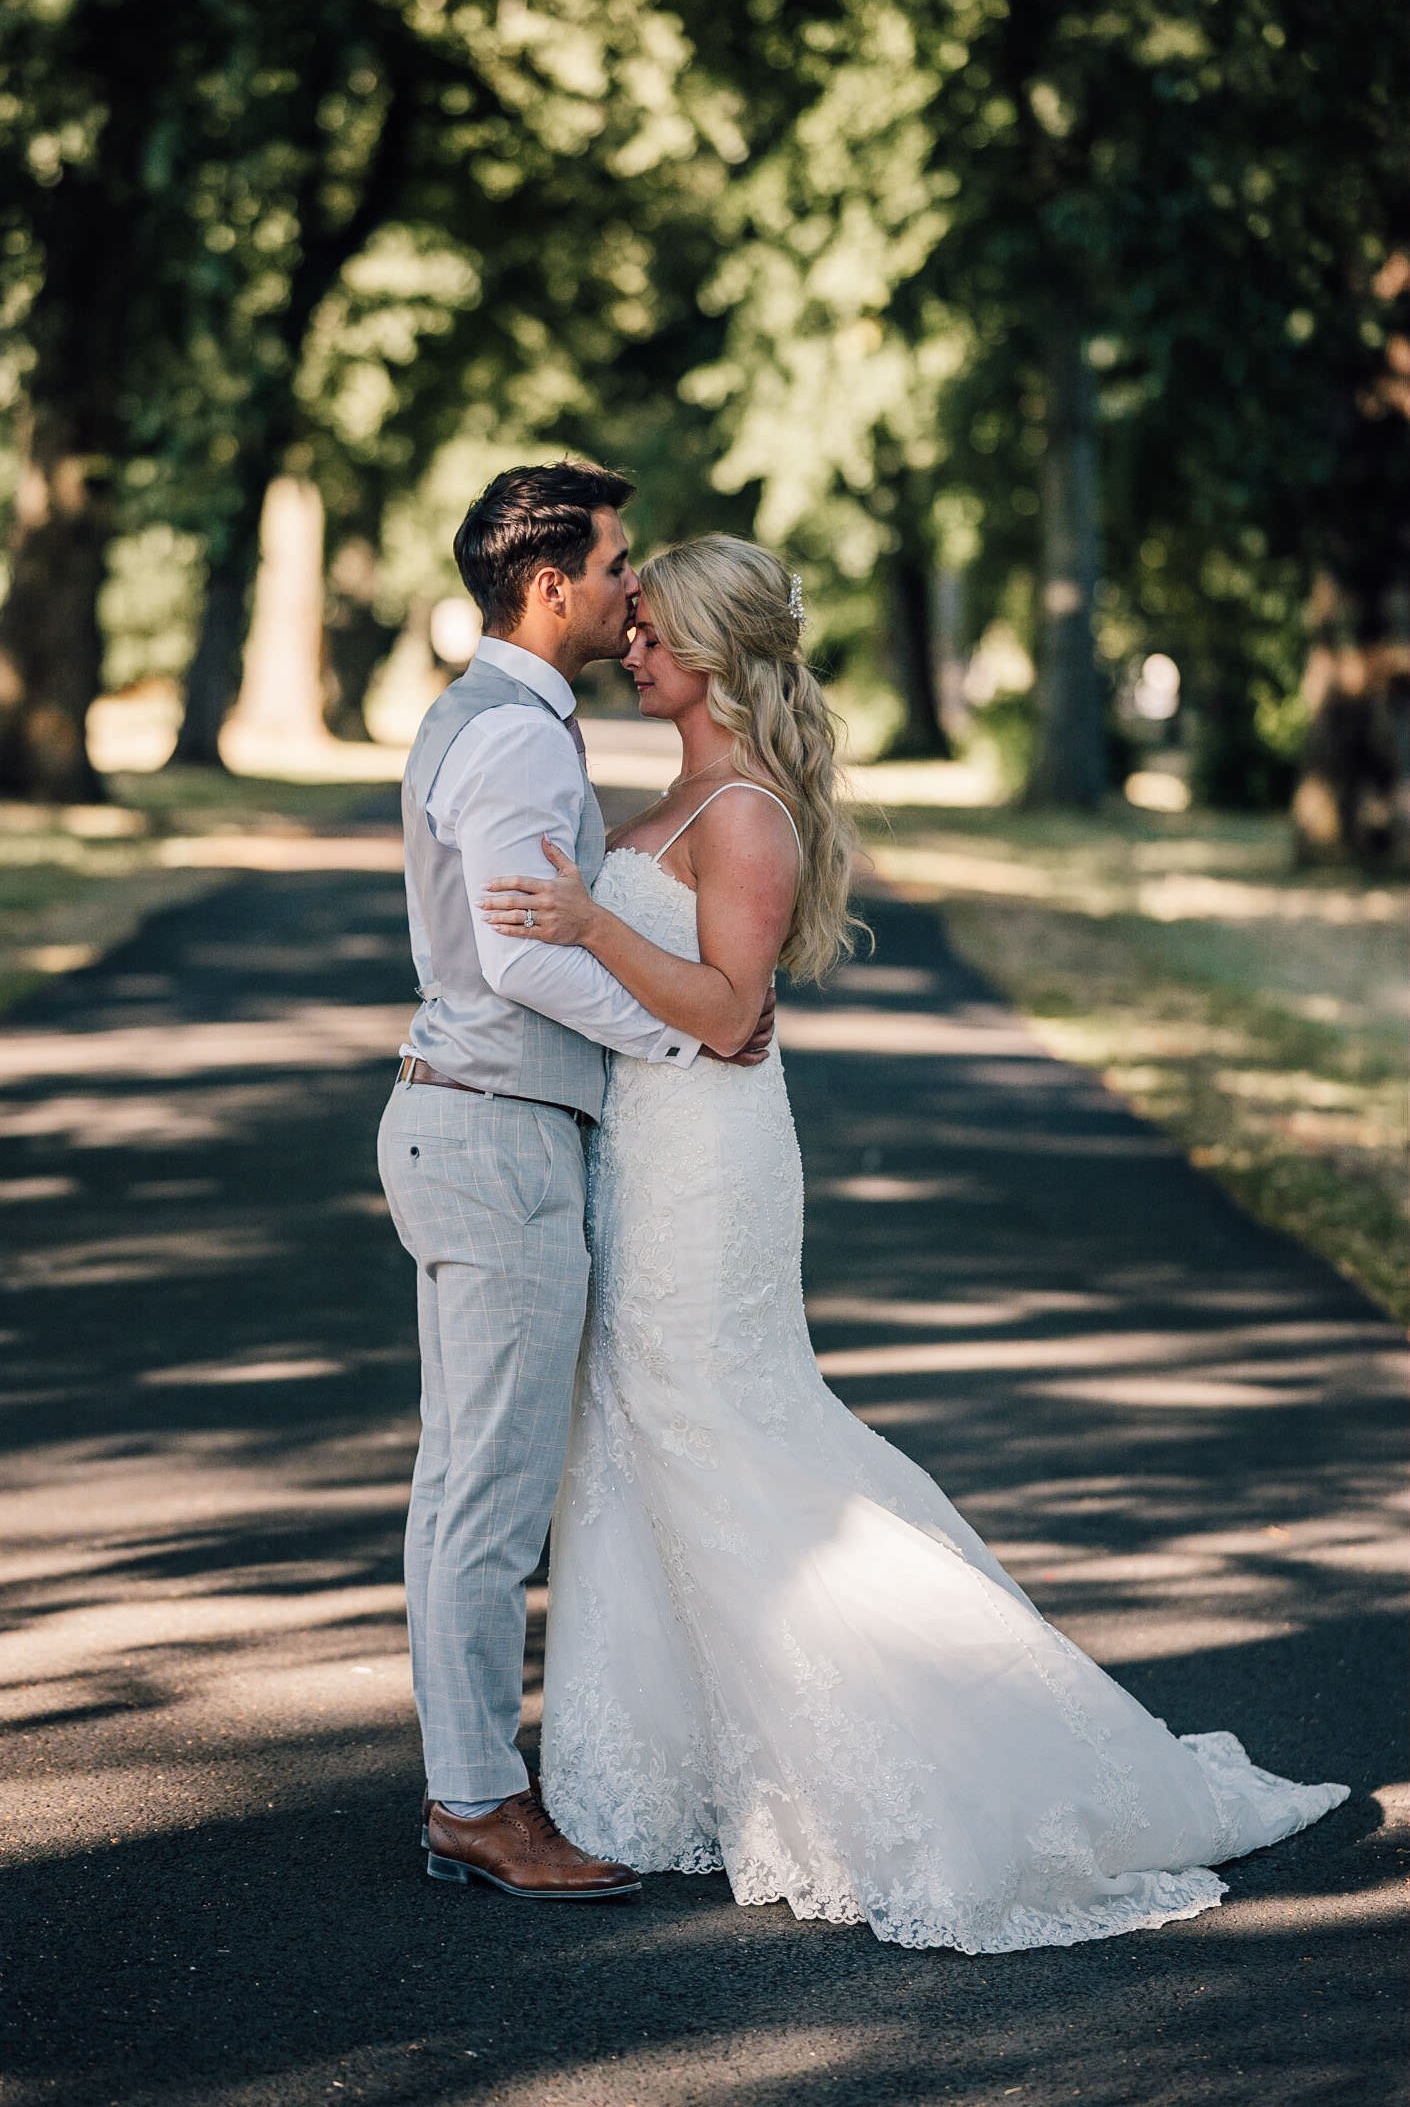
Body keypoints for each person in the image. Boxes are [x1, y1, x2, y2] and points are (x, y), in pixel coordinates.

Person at [478, 533, 1348, 1953]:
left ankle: (960, 1742)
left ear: (704, 649)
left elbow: (719, 1012)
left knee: (725, 1429)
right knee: (640, 1425)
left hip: (708, 1157)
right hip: (641, 1152)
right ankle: (676, 1766)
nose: (623, 647)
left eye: (645, 632)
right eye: (625, 626)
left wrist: (581, 918)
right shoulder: (683, 786)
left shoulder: (743, 808)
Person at [378, 463, 770, 1904]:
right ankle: (478, 1802)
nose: (627, 589)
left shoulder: (485, 714)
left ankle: (473, 1785)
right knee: (483, 1494)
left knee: (460, 1486)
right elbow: (524, 956)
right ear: (550, 584)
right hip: (492, 1126)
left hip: (470, 1118)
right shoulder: (520, 738)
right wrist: (687, 1030)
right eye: (612, 565)